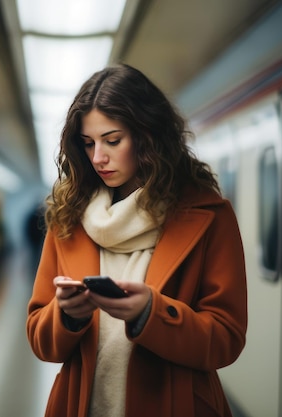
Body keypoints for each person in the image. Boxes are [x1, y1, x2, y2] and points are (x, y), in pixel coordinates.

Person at [26, 64, 248, 417]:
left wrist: (152, 314)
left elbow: (226, 339)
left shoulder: (208, 216)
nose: (98, 157)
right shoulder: (68, 218)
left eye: (113, 140)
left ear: (148, 137)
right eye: (88, 143)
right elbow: (41, 339)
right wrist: (66, 315)